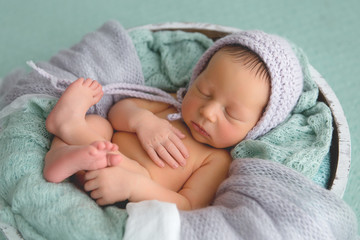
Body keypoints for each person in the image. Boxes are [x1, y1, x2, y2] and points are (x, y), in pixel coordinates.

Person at [43, 30, 304, 210]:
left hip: (121, 186)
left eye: (231, 113)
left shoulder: (217, 160)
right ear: (196, 77)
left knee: (133, 167)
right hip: (93, 152)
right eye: (203, 91)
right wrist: (142, 121)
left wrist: (136, 187)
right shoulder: (171, 105)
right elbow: (119, 109)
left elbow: (187, 206)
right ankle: (62, 159)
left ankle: (69, 129)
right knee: (100, 125)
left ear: (259, 125)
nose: (208, 112)